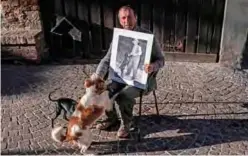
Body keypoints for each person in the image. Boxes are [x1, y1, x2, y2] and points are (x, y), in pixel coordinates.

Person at [90, 5, 165, 138]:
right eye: (123, 18)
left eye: (129, 17)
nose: (127, 21)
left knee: (123, 96)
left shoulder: (148, 37)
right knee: (104, 92)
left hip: (141, 80)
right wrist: (97, 76)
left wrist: (152, 66)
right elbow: (106, 60)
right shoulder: (119, 37)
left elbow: (161, 60)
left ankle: (126, 123)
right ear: (120, 21)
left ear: (135, 18)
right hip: (121, 77)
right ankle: (112, 118)